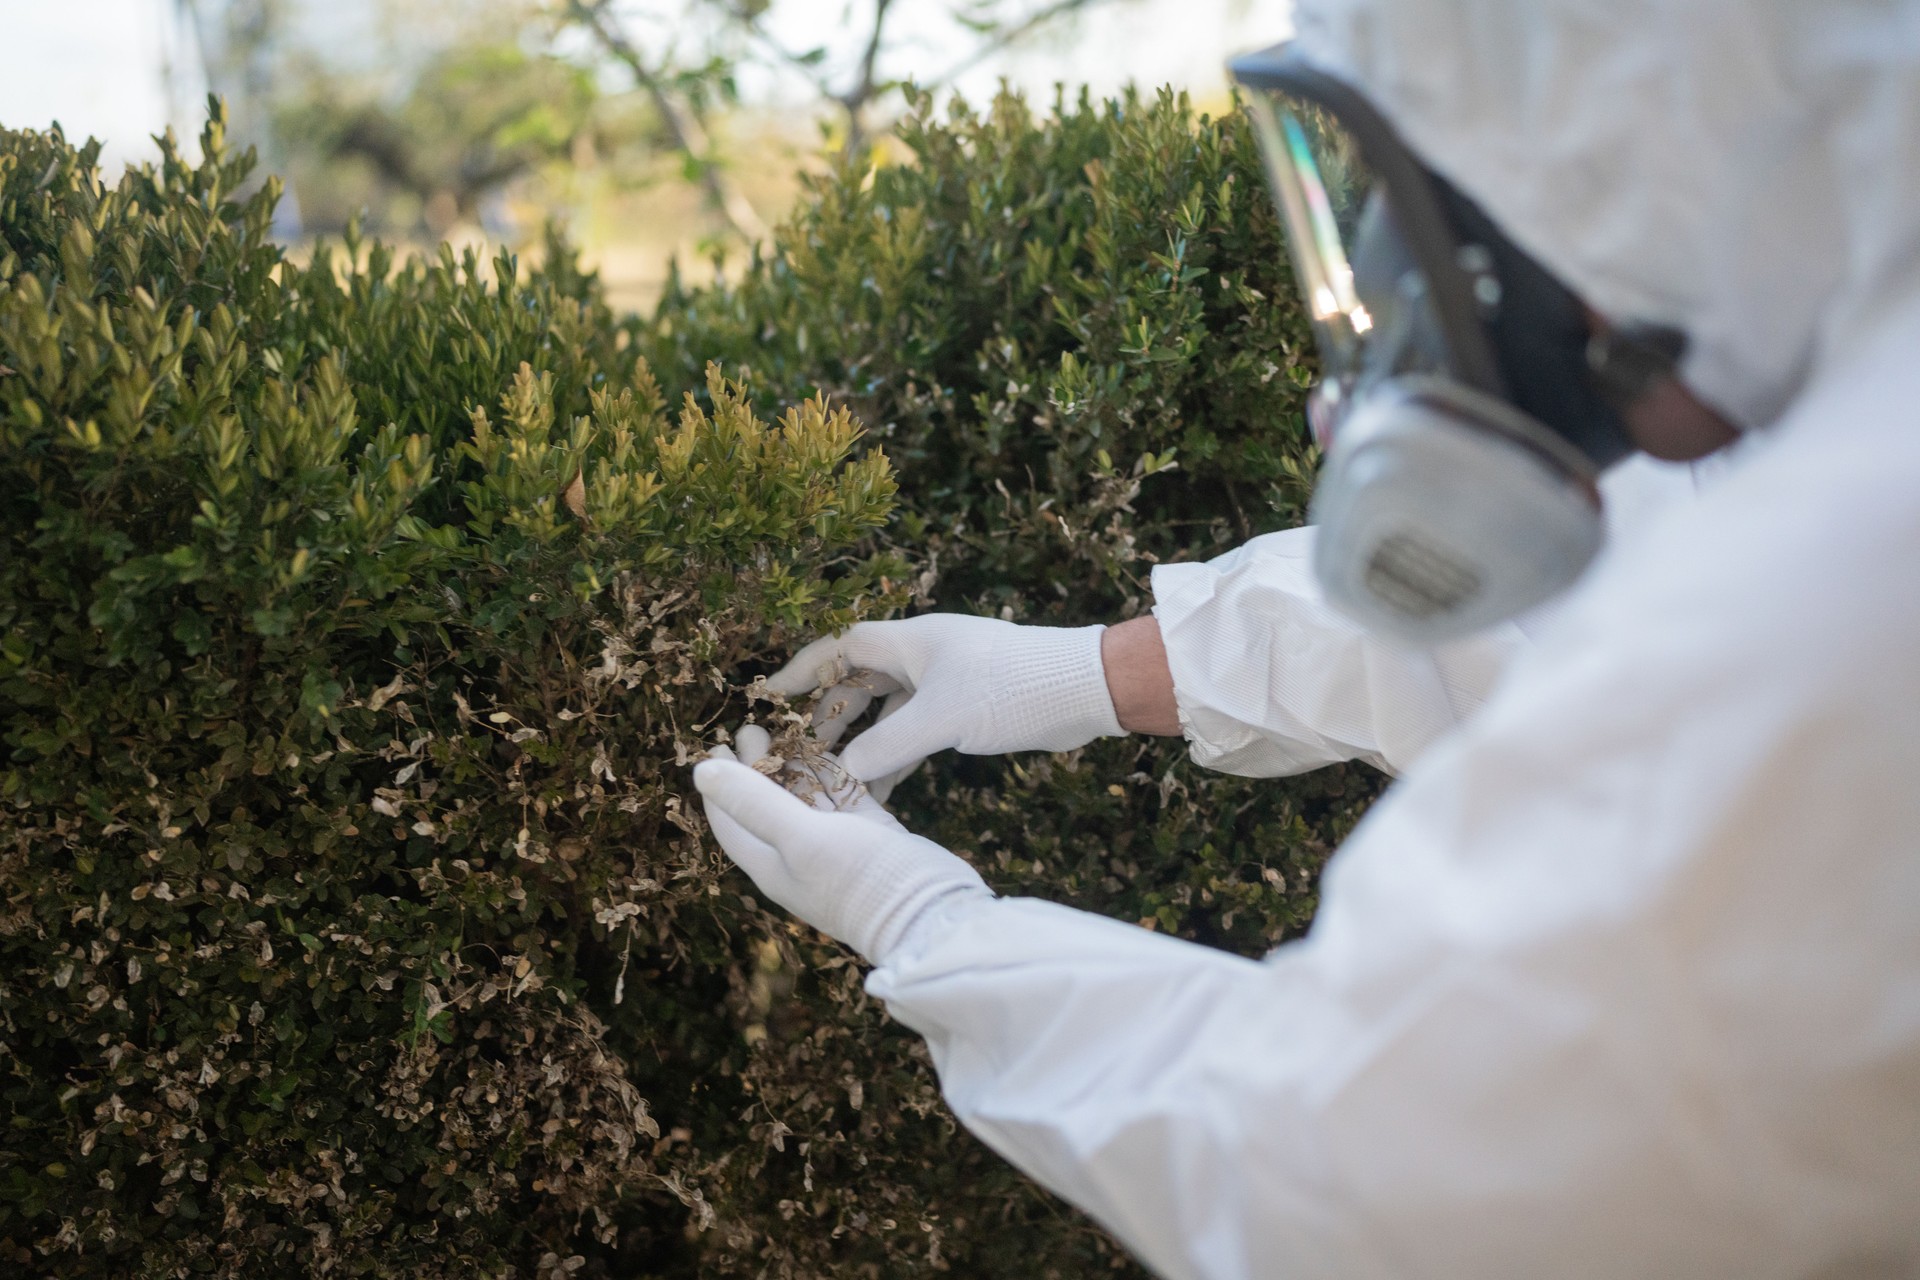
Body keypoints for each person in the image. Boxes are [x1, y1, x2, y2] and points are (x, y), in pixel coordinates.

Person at [693, 1, 1920, 1275]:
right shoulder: (1848, 378)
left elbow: (1330, 1171)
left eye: (1440, 202)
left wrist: (927, 924)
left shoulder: (1843, 605)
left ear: (1632, 155)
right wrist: (1080, 670)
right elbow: (1610, 602)